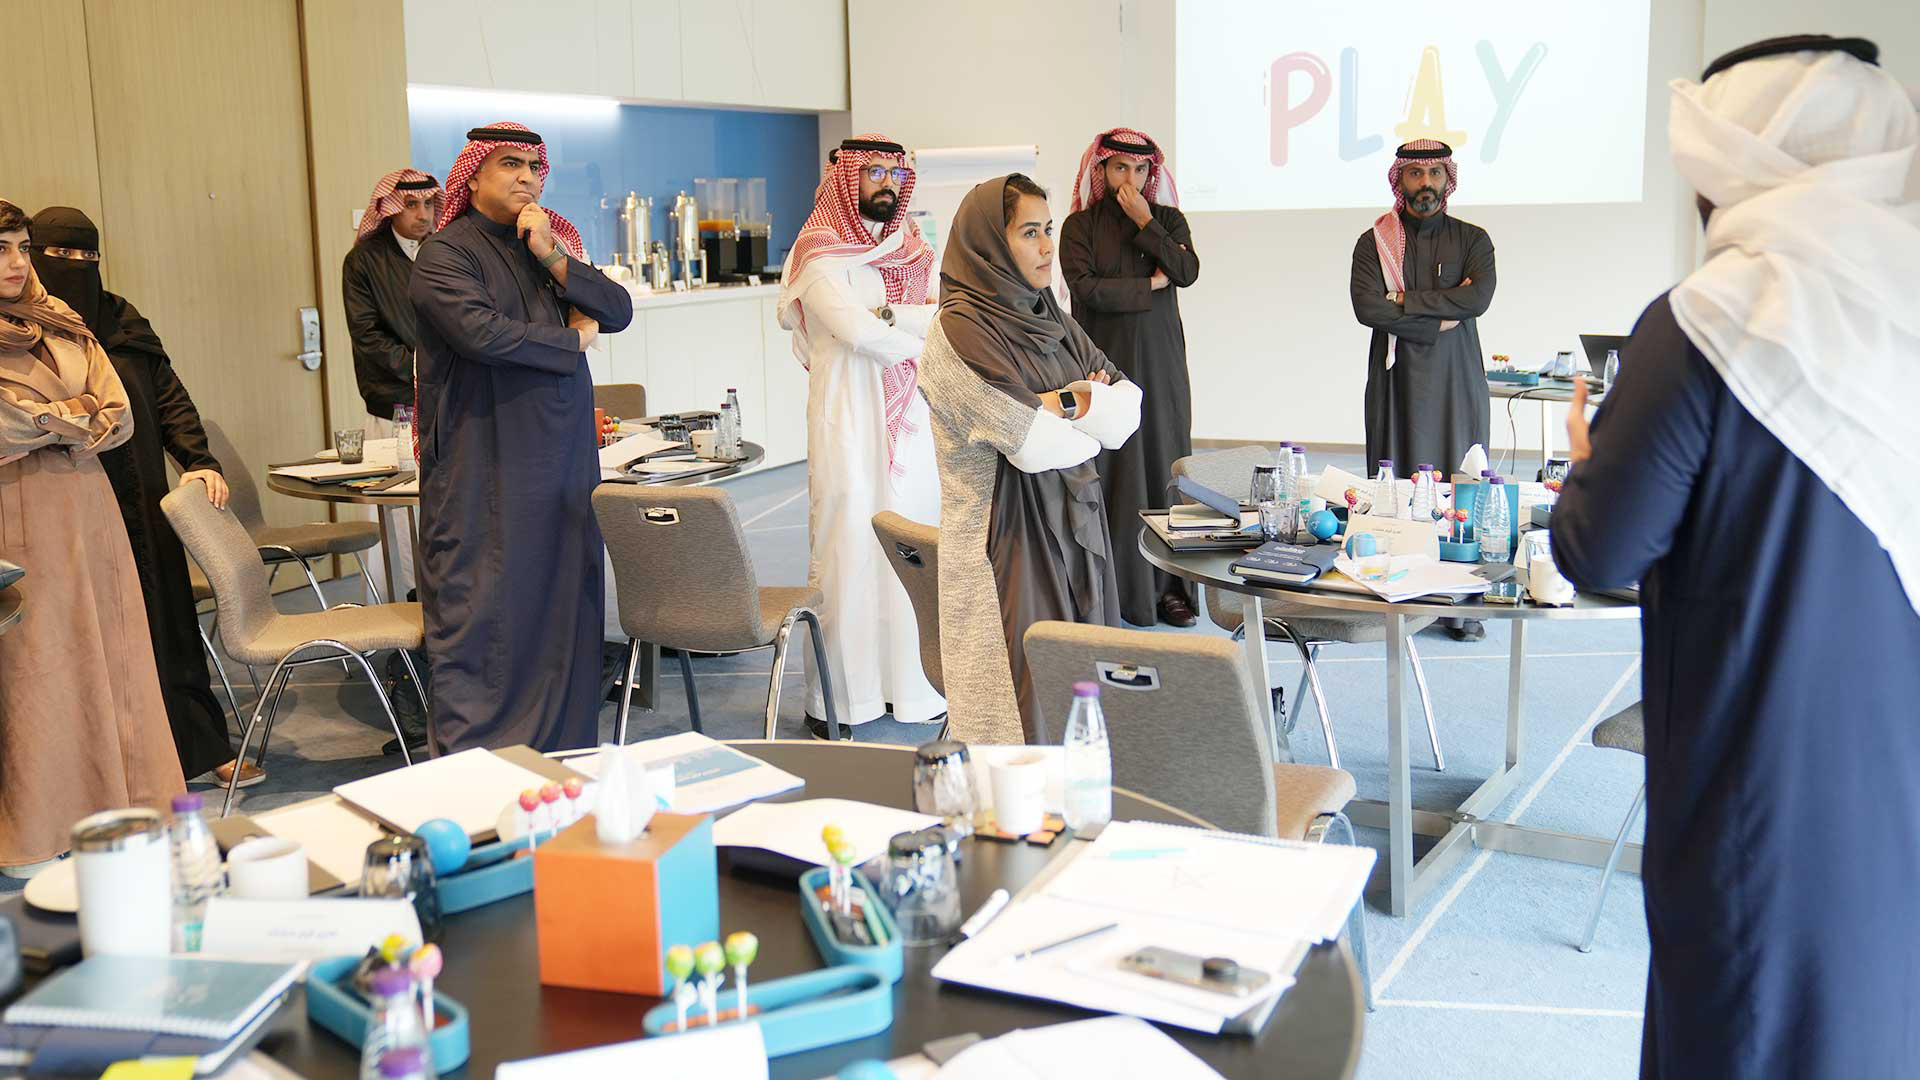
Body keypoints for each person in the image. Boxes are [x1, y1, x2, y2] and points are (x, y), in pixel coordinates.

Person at [1551, 37, 1920, 1079]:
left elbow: (1598, 548)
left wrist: (1586, 461)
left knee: (1748, 1020)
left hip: (1758, 775)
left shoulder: (1706, 321)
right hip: (1896, 767)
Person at [408, 123, 634, 752]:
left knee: (563, 604)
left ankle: (563, 750)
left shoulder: (545, 244)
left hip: (562, 462)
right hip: (484, 464)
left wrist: (555, 258)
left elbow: (617, 310)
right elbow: (481, 334)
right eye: (510, 164)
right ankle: (478, 762)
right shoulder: (445, 254)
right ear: (473, 175)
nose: (527, 177)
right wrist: (574, 339)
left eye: (535, 167)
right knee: (485, 607)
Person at [27, 206, 248, 788]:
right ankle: (104, 768)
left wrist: (198, 461)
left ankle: (199, 747)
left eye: (87, 255)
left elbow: (170, 397)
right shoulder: (23, 330)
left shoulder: (122, 319)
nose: (76, 266)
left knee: (169, 626)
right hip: (67, 505)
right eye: (60, 255)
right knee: (86, 640)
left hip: (143, 500)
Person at [917, 175, 1141, 743]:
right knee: (1018, 726)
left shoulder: (1051, 317)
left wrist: (1057, 403)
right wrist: (1086, 404)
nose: (1047, 247)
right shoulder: (957, 331)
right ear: (990, 243)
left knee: (1082, 708)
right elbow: (1033, 445)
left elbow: (1127, 415)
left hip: (1075, 530)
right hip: (1005, 549)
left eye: (1049, 230)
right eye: (1029, 232)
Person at [0, 198, 185, 876]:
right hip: (18, 514)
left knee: (111, 655)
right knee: (39, 670)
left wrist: (44, 420)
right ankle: (40, 824)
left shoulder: (61, 319)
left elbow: (121, 414)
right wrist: (71, 419)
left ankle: (125, 802)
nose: (16, 263)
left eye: (22, 247)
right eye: (1, 250)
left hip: (88, 506)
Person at [776, 136, 946, 740]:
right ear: (845, 176)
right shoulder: (818, 250)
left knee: (911, 546)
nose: (886, 184)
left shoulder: (911, 245)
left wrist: (899, 321)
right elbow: (854, 331)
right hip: (846, 419)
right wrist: (913, 334)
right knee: (847, 550)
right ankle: (843, 702)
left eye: (895, 174)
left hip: (911, 421)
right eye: (873, 172)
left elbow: (942, 313)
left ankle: (914, 690)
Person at [1350, 139, 1496, 640]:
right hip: (1397, 380)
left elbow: (1477, 299)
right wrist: (1439, 316)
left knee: (1459, 479)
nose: (1426, 184)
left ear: (1447, 179)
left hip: (1457, 379)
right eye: (1416, 174)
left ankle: (1459, 605)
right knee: (1397, 478)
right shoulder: (1375, 243)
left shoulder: (1473, 239)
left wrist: (1403, 299)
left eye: (1435, 173)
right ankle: (1400, 596)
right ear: (1401, 180)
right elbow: (1368, 307)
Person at [1060, 128, 1200, 628]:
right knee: (1115, 473)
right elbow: (1085, 289)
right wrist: (1149, 284)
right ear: (1101, 170)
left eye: (1141, 170)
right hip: (1104, 365)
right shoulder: (1079, 226)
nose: (1131, 180)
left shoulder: (1167, 221)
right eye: (1120, 168)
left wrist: (1146, 223)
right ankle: (1116, 590)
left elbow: (1186, 270)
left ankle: (1171, 591)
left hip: (1162, 366)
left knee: (1166, 468)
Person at [343, 168, 442, 750]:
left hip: (451, 406)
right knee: (401, 534)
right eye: (412, 206)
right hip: (396, 409)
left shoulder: (445, 249)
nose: (424, 215)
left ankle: (443, 641)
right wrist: (430, 367)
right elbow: (368, 338)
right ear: (388, 208)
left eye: (431, 204)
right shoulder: (365, 261)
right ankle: (403, 650)